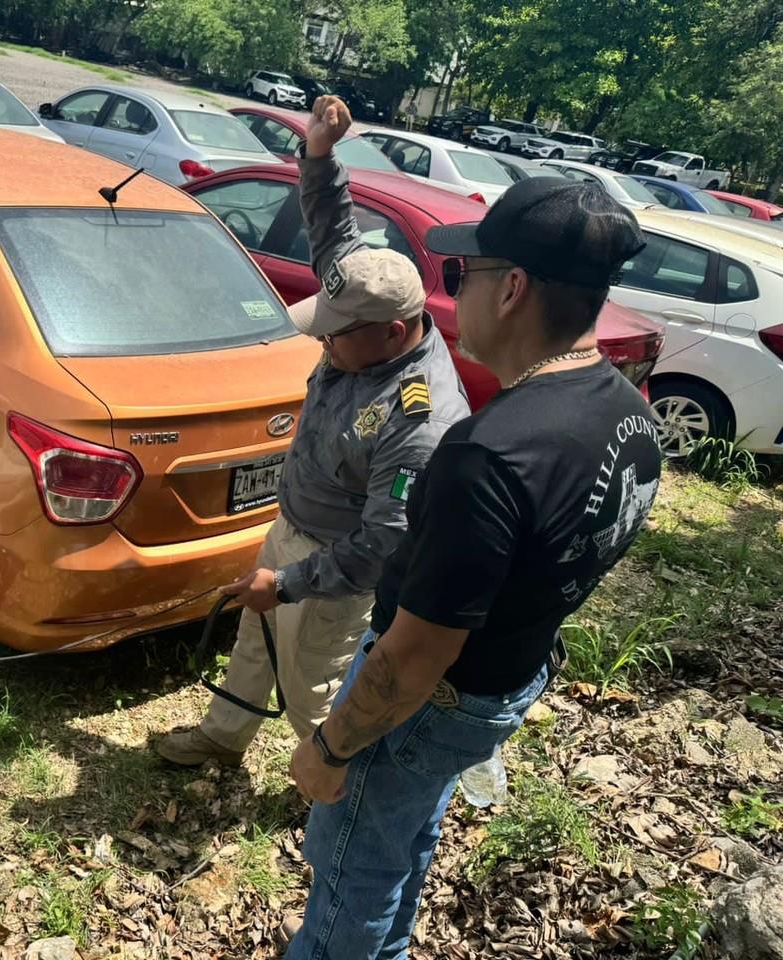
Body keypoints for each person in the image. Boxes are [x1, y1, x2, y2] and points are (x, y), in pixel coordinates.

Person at [285, 141, 661, 958]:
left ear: (514, 287)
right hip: (506, 681)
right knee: (401, 844)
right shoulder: (630, 417)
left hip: (434, 701)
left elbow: (415, 656)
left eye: (464, 277)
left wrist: (327, 746)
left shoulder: (487, 454)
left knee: (350, 866)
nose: (452, 294)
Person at [157, 96, 470, 768]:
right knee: (255, 635)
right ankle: (222, 738)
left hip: (338, 567)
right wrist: (321, 152)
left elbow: (384, 543)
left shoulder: (418, 419)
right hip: (292, 523)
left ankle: (328, 777)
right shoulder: (369, 296)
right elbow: (334, 232)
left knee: (312, 685)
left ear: (394, 333)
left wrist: (294, 582)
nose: (323, 342)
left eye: (335, 335)